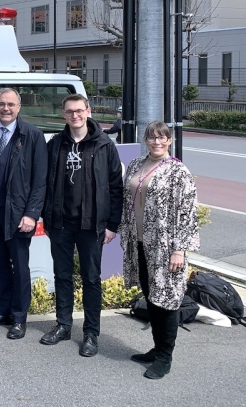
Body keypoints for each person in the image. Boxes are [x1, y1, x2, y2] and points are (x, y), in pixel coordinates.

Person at [40, 94, 123, 357]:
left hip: (92, 225)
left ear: (88, 111)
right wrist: (46, 217)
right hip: (61, 224)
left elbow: (115, 188)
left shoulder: (104, 145)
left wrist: (112, 225)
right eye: (69, 111)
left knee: (91, 279)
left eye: (79, 110)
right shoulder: (55, 144)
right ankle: (63, 325)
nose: (74, 115)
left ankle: (91, 333)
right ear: (63, 114)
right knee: (62, 276)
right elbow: (43, 183)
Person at [120, 121, 199, 380]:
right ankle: (156, 348)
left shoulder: (178, 171)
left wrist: (180, 250)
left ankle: (165, 356)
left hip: (166, 248)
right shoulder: (135, 165)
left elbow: (187, 213)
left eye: (162, 137)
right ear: (146, 140)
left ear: (170, 140)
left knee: (167, 300)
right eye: (152, 137)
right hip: (140, 243)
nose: (156, 142)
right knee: (152, 296)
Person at [0, 88, 47, 340]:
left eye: (11, 104)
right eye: (1, 104)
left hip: (18, 215)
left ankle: (19, 317)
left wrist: (31, 213)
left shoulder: (33, 136)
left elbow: (40, 181)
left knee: (20, 266)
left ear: (19, 107)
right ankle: (2, 310)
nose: (6, 109)